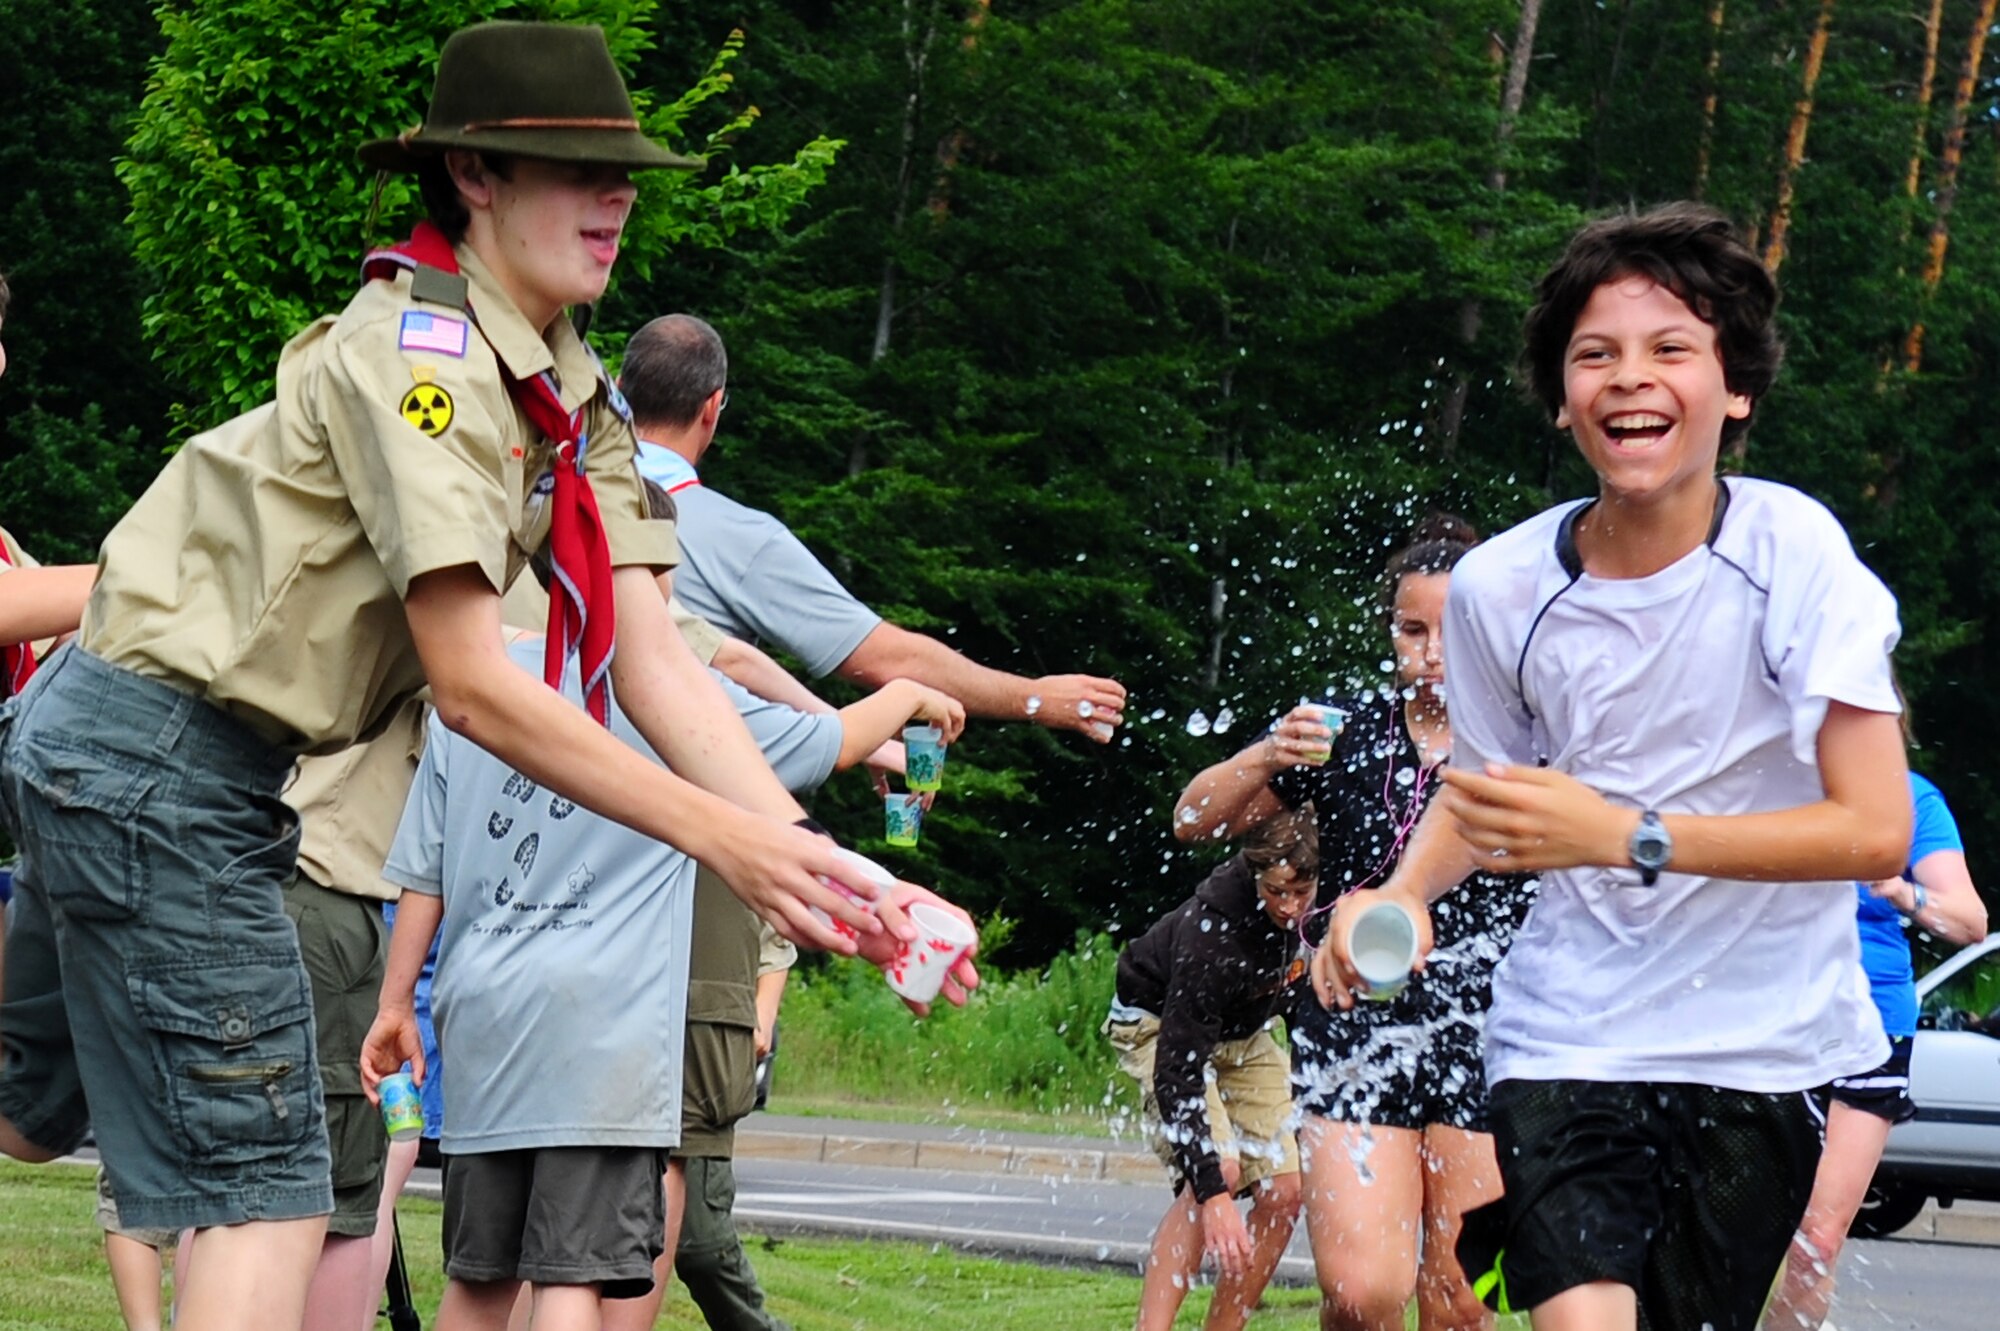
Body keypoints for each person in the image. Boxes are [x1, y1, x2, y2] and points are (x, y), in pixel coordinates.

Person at [0, 26, 911, 1331]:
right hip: (158, 758)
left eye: (627, 176)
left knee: (31, 1125)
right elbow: (473, 685)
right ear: (476, 175)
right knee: (272, 1181)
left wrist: (815, 853)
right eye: (572, 171)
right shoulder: (418, 360)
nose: (617, 201)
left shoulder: (572, 400)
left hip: (138, 750)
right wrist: (725, 838)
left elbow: (653, 661)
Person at [1315, 203, 1912, 1331]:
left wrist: (1621, 832)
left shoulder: (1794, 556)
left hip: (1762, 1046)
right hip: (1567, 1033)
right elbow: (1485, 793)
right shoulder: (1499, 587)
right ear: (1560, 398)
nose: (1628, 377)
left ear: (1732, 389)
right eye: (1595, 353)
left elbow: (1872, 827)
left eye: (1668, 348)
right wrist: (1395, 893)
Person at [362, 627, 972, 1331]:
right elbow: (824, 740)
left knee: (478, 1282)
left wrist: (396, 1000)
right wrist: (908, 692)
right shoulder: (672, 693)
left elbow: (423, 870)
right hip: (605, 1034)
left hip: (482, 1021)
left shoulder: (475, 679)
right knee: (572, 1277)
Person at [1173, 514, 1536, 1331]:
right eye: (1413, 629)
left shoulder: (1530, 740)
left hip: (1491, 1034)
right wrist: (1268, 753)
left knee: (1460, 1304)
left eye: (1456, 629)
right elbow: (1191, 817)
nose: (1433, 650)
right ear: (1390, 633)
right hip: (1352, 1026)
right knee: (1365, 1292)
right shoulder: (1347, 734)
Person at [619, 313, 1129, 744]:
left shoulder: (550, 497)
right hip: (663, 828)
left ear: (619, 392)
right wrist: (1035, 698)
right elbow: (885, 656)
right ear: (713, 407)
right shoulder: (740, 538)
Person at [1762, 764, 1987, 1330]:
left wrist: (1901, 890)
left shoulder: (1909, 800)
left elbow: (1969, 920)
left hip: (1871, 1027)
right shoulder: (1760, 772)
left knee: (1816, 1241)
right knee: (1729, 1222)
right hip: (1761, 1017)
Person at [1108, 809, 1314, 1331]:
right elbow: (1178, 1070)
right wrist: (1216, 1196)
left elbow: (1305, 1010)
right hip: (1157, 1024)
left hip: (1244, 1032)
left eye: (1301, 893)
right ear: (1253, 873)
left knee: (1286, 1189)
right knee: (1217, 1170)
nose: (1290, 909)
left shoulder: (1320, 907)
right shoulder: (1213, 936)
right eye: (1276, 893)